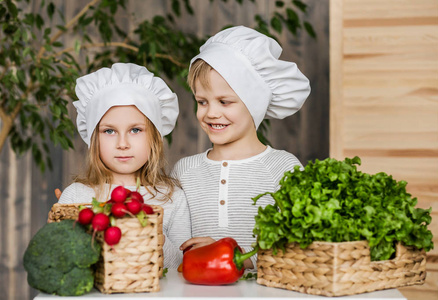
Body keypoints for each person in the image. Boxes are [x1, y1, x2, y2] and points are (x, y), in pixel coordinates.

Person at [171, 26, 311, 269]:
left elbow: (301, 246)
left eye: (225, 102)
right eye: (202, 102)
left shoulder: (283, 168)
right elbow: (174, 244)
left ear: (254, 103)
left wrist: (243, 259)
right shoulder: (184, 170)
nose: (211, 113)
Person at [58, 62, 191, 269]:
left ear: (154, 137)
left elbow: (181, 267)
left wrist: (155, 237)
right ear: (94, 139)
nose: (122, 144)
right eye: (109, 131)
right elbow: (62, 260)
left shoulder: (172, 198)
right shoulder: (76, 196)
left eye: (135, 130)